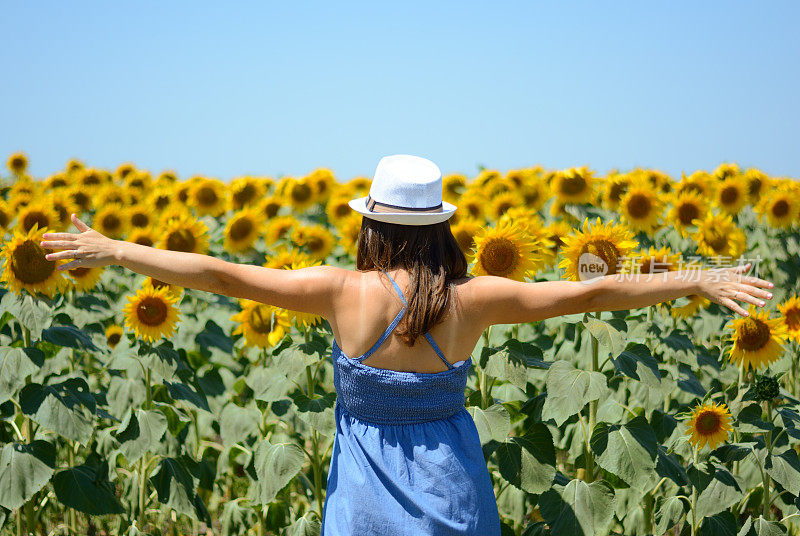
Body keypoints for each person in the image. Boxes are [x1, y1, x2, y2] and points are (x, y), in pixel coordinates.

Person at [40, 154, 774, 535]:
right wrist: (696, 278)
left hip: (363, 507)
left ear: (372, 226)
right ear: (442, 228)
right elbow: (588, 294)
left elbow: (221, 275)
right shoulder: (471, 301)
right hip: (452, 501)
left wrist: (116, 250)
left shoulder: (341, 293)